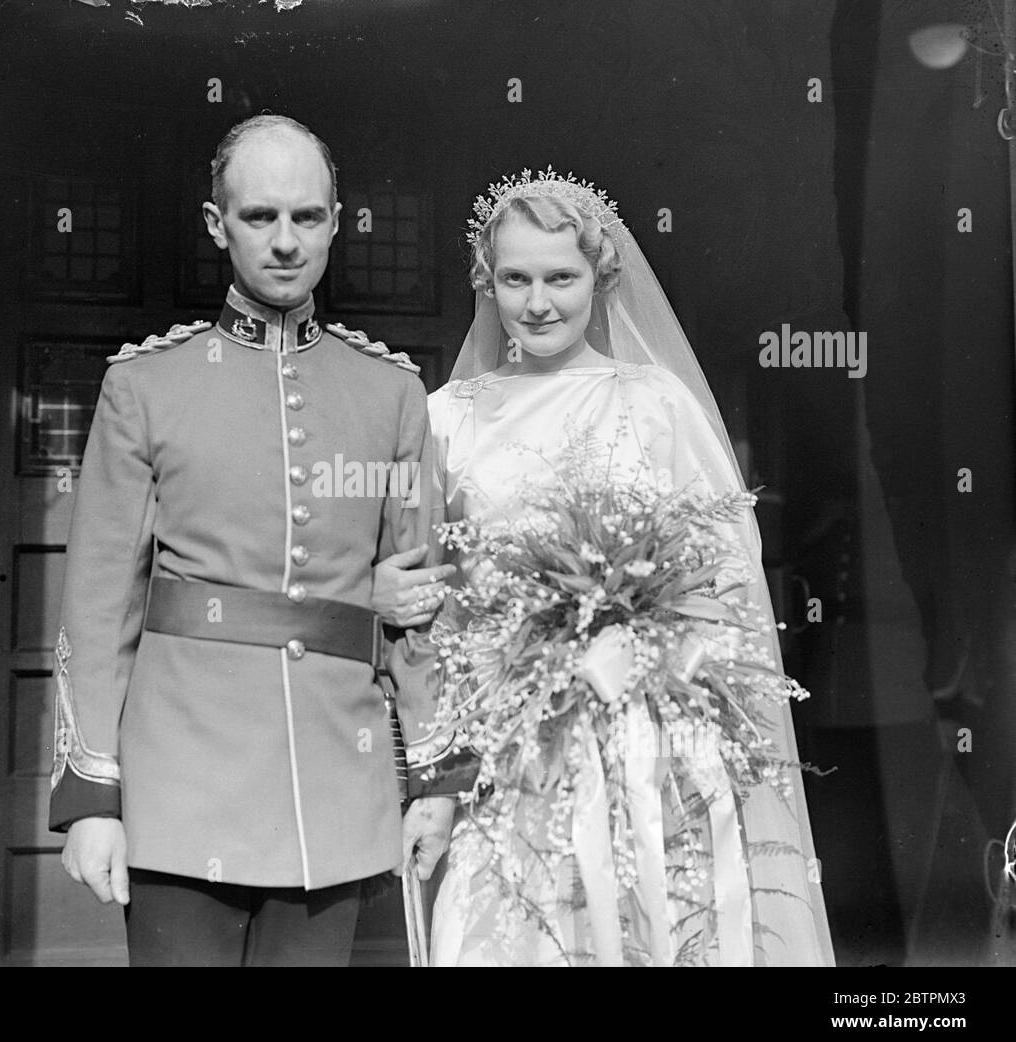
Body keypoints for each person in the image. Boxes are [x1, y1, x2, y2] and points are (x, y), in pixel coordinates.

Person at [374, 171, 834, 965]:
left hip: (646, 741)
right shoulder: (447, 418)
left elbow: (725, 574)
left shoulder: (653, 403)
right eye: (516, 278)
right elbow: (428, 587)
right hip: (504, 746)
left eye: (562, 276)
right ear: (489, 282)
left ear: (601, 276)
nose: (538, 301)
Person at [50, 114, 456, 967]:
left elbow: (416, 598)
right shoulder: (145, 387)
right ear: (216, 225)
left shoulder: (390, 396)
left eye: (307, 218)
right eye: (259, 217)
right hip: (180, 785)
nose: (284, 242)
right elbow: (97, 607)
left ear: (337, 224)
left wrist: (434, 776)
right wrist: (93, 797)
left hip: (332, 793)